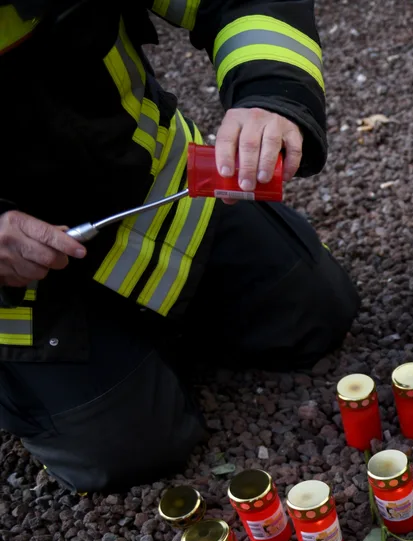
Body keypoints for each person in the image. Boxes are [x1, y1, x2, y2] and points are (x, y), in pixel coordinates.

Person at [0, 0, 359, 492]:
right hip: (21, 287)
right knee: (134, 452)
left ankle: (139, 349)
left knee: (314, 313)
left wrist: (271, 93)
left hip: (154, 191)